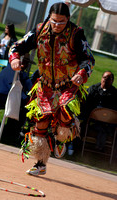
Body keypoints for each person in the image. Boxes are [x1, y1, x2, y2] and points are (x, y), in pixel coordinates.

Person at [9, 2, 95, 175]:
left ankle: (62, 138)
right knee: (40, 125)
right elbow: (16, 46)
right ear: (49, 17)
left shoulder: (76, 34)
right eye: (54, 21)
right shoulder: (40, 30)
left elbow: (88, 59)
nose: (56, 25)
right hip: (45, 85)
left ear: (68, 19)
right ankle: (40, 164)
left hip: (68, 85)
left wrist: (82, 73)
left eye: (61, 22)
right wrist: (14, 59)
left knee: (64, 112)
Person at [80, 71, 117, 151]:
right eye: (104, 77)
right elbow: (85, 103)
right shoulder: (93, 89)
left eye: (108, 78)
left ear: (112, 81)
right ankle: (77, 147)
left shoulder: (115, 94)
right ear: (101, 78)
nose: (106, 80)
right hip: (92, 119)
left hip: (108, 122)